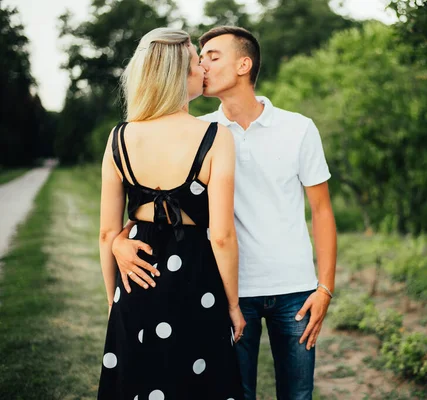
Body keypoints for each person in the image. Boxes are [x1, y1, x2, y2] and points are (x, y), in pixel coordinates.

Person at [112, 26, 337, 400]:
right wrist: (120, 240)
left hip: (295, 290)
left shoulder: (299, 129)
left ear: (244, 65)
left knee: (299, 395)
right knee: (234, 393)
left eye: (213, 57)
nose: (202, 64)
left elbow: (323, 212)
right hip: (224, 287)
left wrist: (325, 287)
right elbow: (160, 206)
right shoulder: (201, 133)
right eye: (199, 59)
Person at [97, 27, 245, 400]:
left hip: (135, 281)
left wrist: (113, 299)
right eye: (198, 63)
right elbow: (223, 235)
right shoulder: (214, 137)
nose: (204, 70)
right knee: (197, 383)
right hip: (196, 280)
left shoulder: (119, 137)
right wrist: (233, 305)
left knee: (140, 384)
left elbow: (106, 233)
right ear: (181, 74)